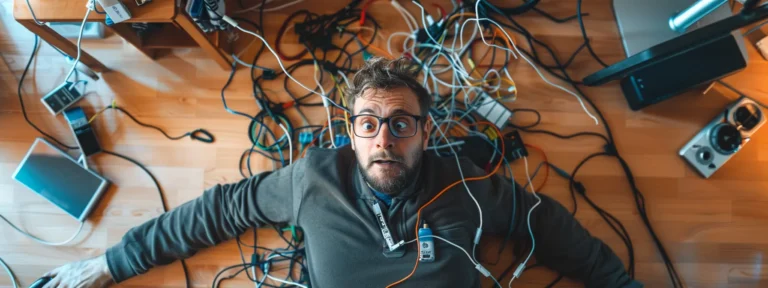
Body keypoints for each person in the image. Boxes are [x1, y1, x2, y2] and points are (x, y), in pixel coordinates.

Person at [41, 58, 642, 288]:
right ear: (350, 132)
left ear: (425, 132)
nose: (385, 139)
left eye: (402, 124)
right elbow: (218, 211)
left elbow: (553, 227)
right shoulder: (313, 178)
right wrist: (109, 264)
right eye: (369, 124)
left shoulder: (470, 184)